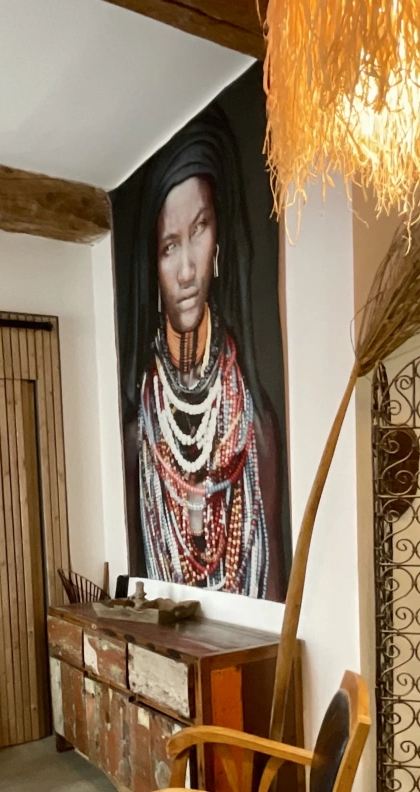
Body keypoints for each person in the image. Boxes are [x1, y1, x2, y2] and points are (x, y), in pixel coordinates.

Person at [119, 107, 285, 599]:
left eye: (199, 229)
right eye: (170, 246)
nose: (188, 269)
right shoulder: (139, 435)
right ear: (152, 263)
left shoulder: (255, 427)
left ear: (219, 240)